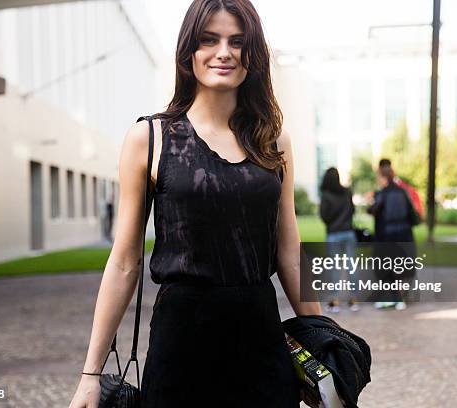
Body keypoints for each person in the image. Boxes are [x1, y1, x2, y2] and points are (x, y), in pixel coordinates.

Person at [69, 1, 321, 406]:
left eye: (238, 41)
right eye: (210, 40)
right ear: (189, 51)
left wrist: (321, 339)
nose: (224, 52)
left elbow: (288, 252)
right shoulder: (149, 138)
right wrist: (90, 375)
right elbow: (124, 261)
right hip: (182, 342)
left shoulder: (275, 142)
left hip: (260, 338)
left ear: (253, 54)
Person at [367, 166, 417, 311]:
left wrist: (371, 202)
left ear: (383, 178)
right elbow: (412, 215)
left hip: (386, 236)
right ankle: (399, 299)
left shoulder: (382, 193)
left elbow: (373, 210)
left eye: (378, 177)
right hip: (403, 236)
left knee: (384, 268)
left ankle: (388, 299)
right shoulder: (403, 192)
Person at [319, 168, 359, 312]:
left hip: (334, 234)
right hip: (349, 233)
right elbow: (353, 211)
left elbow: (324, 216)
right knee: (351, 266)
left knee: (334, 268)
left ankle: (335, 302)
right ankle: (354, 301)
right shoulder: (347, 192)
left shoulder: (326, 195)